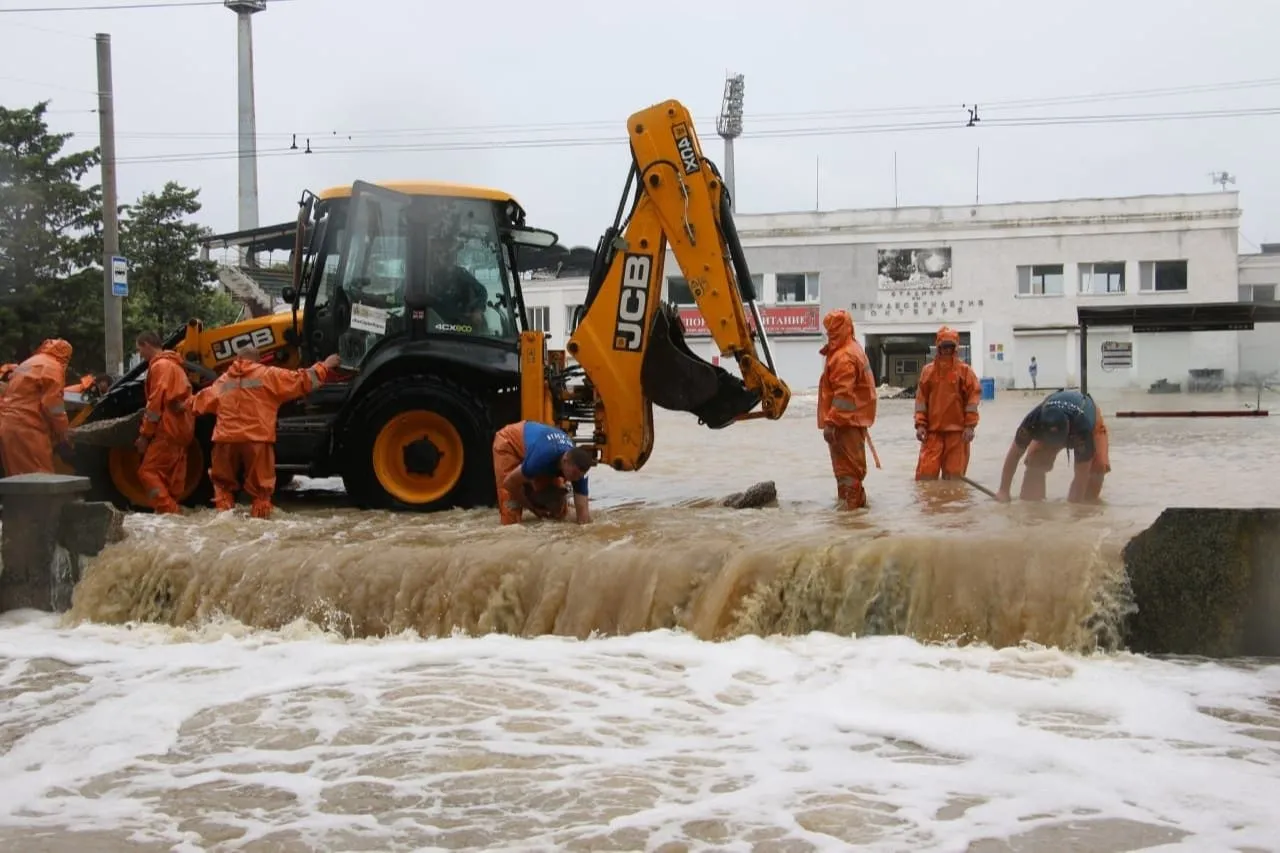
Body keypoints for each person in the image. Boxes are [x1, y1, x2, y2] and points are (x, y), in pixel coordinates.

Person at [190, 347, 341, 518]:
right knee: (260, 493)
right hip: (256, 439)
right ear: (258, 359)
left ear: (237, 358)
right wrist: (326, 365)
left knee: (223, 488)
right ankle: (260, 527)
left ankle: (223, 522)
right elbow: (303, 380)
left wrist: (176, 404)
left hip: (225, 440)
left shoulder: (224, 381)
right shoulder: (268, 375)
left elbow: (199, 402)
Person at [994, 389, 1111, 504]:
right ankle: (1032, 507)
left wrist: (1075, 510)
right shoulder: (1033, 421)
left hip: (1087, 417)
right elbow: (1014, 455)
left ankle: (1088, 507)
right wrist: (1003, 491)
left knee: (1098, 466)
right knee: (1035, 459)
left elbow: (1081, 475)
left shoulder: (1082, 429)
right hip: (1050, 419)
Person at [817, 309, 878, 509]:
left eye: (831, 329)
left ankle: (851, 517)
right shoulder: (852, 348)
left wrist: (832, 422)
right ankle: (852, 515)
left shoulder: (843, 356)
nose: (829, 333)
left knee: (848, 473)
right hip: (852, 422)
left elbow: (843, 396)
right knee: (847, 472)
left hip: (845, 424)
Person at [134, 331, 195, 515]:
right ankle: (173, 521)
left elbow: (155, 404)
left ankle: (169, 512)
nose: (140, 355)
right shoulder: (175, 366)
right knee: (171, 479)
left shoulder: (161, 366)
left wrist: (145, 435)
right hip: (182, 429)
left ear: (146, 344)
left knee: (147, 473)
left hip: (168, 430)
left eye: (139, 350)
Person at [492, 419, 595, 525]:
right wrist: (531, 508)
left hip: (540, 447)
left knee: (558, 510)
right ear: (565, 461)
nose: (576, 480)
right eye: (574, 475)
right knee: (511, 511)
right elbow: (509, 483)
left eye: (579, 477)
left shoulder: (578, 470)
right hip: (509, 443)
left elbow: (584, 517)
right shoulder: (540, 459)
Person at [914, 326, 981, 480]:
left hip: (958, 435)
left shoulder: (965, 372)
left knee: (954, 479)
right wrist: (921, 424)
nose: (947, 349)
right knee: (925, 478)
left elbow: (973, 400)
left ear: (955, 347)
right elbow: (921, 401)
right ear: (938, 347)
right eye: (944, 346)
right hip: (932, 433)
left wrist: (970, 426)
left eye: (950, 346)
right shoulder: (928, 371)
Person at [0, 339, 73, 476]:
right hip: (28, 428)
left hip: (7, 425)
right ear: (65, 356)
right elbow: (53, 405)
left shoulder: (28, 363)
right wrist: (64, 433)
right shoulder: (53, 368)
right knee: (40, 478)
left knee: (16, 479)